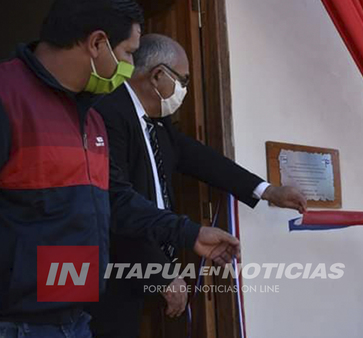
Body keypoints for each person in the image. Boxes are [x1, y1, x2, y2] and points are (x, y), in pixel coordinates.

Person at [0, 1, 240, 337]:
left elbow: (116, 200)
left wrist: (189, 233)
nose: (131, 65)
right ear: (97, 43)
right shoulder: (8, 96)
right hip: (16, 323)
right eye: (129, 53)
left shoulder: (91, 116)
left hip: (75, 317)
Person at [88, 33, 307, 337]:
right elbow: (115, 206)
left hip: (145, 271)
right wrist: (161, 273)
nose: (184, 90)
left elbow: (201, 159)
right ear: (158, 75)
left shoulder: (157, 123)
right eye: (183, 80)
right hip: (108, 275)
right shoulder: (107, 112)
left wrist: (267, 190)